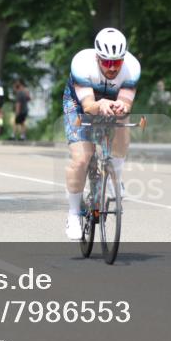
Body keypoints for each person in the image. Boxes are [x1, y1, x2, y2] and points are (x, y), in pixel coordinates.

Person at [62, 27, 141, 240]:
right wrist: (101, 103)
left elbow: (125, 102)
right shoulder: (81, 64)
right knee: (81, 159)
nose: (113, 68)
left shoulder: (132, 68)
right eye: (107, 62)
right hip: (78, 104)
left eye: (117, 62)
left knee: (122, 119)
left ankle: (116, 176)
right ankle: (73, 214)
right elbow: (88, 105)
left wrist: (120, 108)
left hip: (110, 101)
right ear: (97, 58)